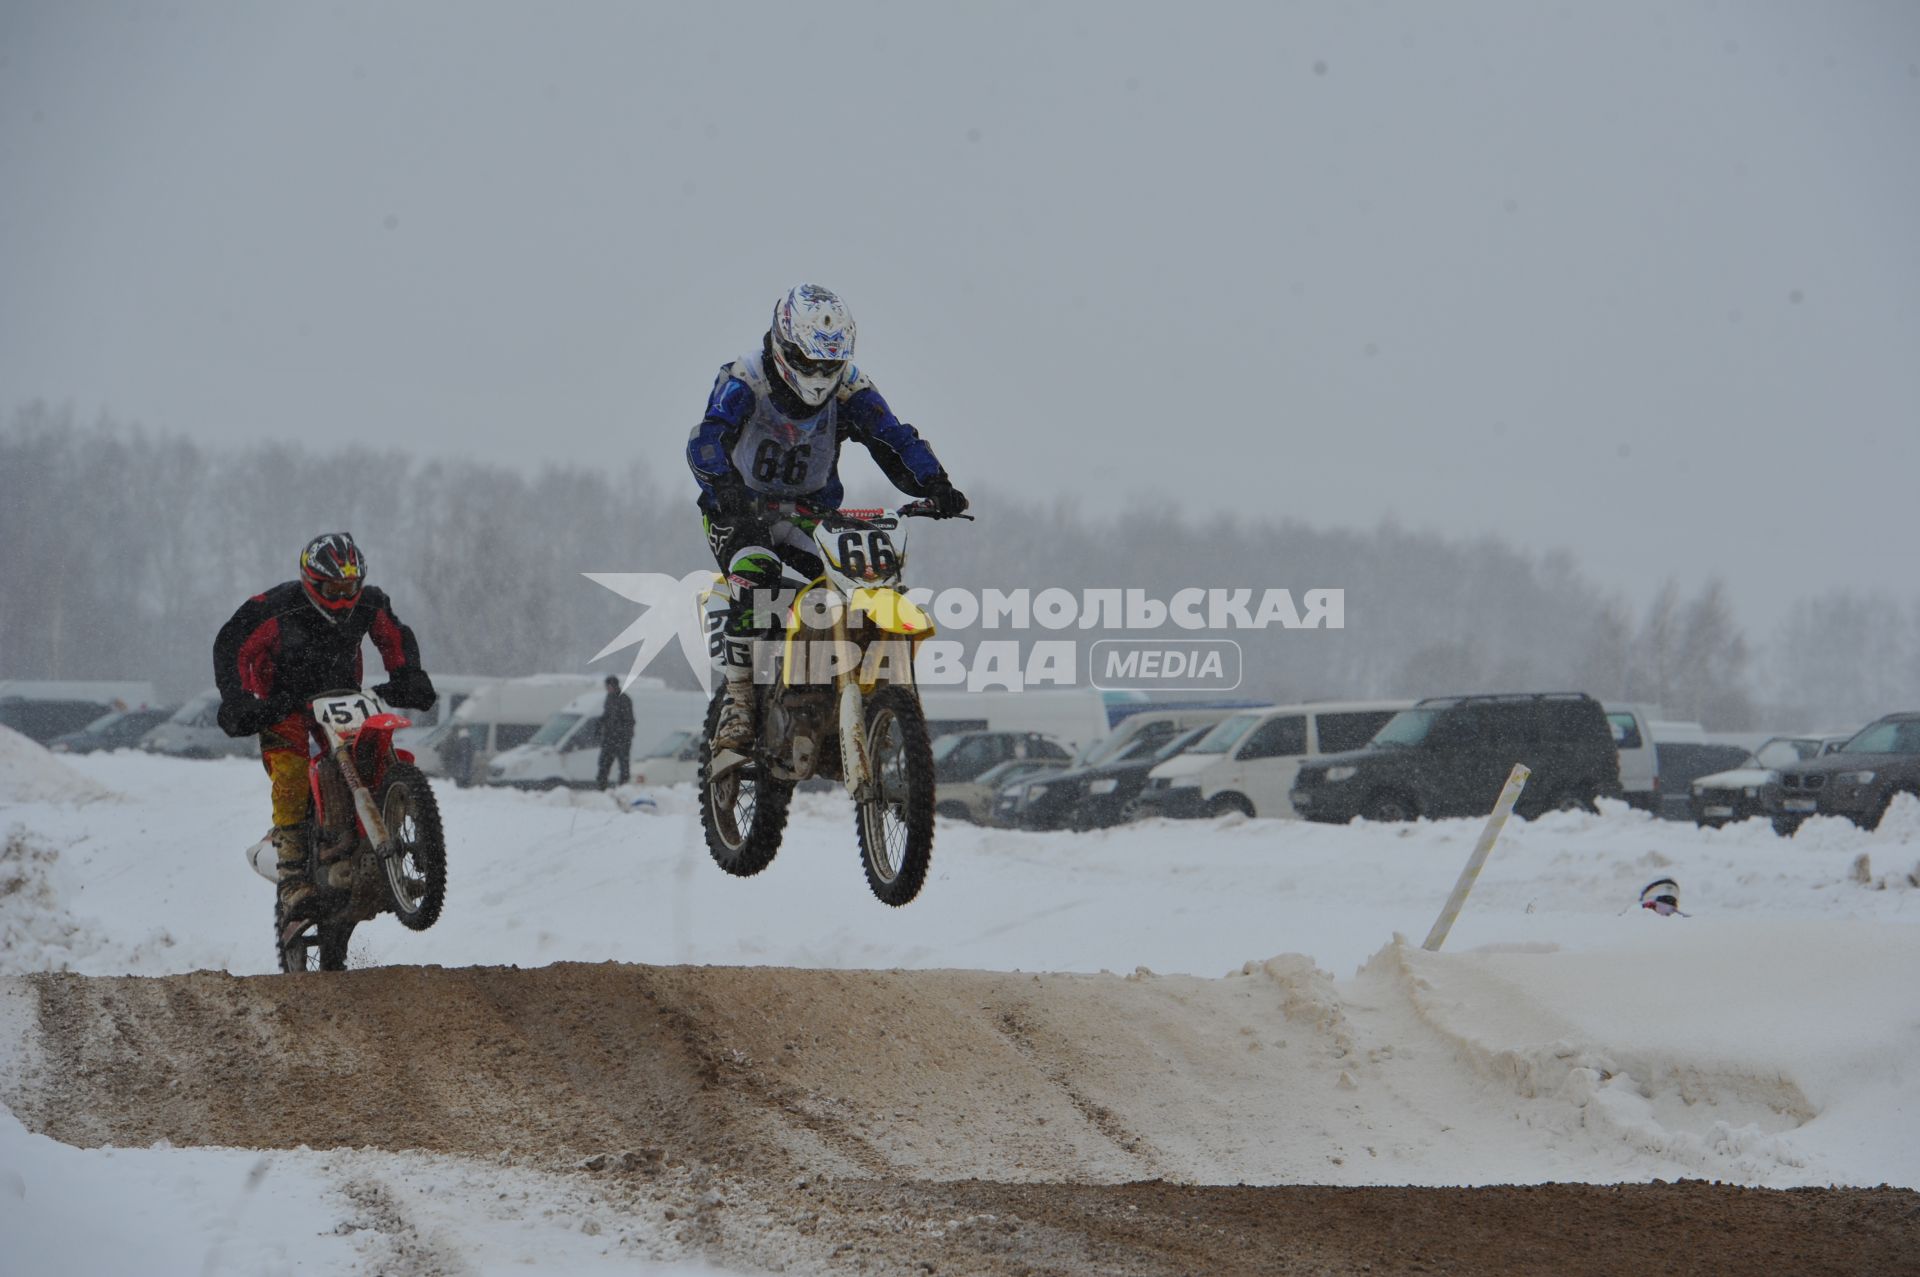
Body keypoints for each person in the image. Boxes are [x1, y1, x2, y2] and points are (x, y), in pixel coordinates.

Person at [686, 284, 969, 749]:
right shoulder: (746, 380)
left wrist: (935, 483)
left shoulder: (850, 388)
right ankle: (738, 703)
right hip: (739, 510)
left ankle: (834, 690)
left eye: (828, 365)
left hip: (811, 514)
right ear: (784, 345)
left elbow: (892, 438)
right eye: (809, 362)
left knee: (846, 590)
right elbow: (706, 438)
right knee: (756, 582)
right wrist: (723, 486)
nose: (818, 375)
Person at [213, 532, 437, 920]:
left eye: (350, 586)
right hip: (283, 705)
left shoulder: (369, 602)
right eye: (333, 586)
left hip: (342, 696)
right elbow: (232, 643)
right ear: (312, 581)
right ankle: (293, 877)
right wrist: (237, 698)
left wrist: (407, 673)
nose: (343, 595)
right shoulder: (274, 607)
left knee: (372, 750)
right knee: (292, 772)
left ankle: (391, 837)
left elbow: (393, 635)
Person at [598, 675, 635, 789]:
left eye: (608, 686)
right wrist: (600, 723)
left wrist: (619, 731)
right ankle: (602, 787)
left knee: (623, 764)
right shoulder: (609, 698)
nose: (607, 689)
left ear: (613, 685)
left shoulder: (624, 699)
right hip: (609, 738)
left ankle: (623, 787)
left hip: (622, 739)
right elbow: (607, 715)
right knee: (603, 763)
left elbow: (629, 720)